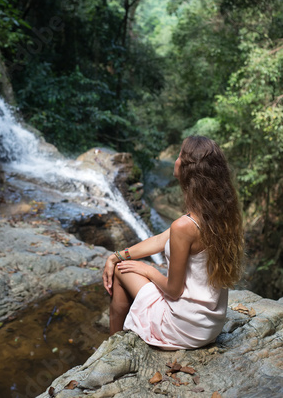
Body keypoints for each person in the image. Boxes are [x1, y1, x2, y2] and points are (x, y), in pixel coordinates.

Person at [103, 135, 244, 350]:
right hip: (209, 325)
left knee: (121, 271)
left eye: (179, 156)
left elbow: (174, 290)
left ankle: (112, 348)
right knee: (122, 262)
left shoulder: (184, 226)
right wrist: (117, 254)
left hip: (183, 327)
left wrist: (146, 269)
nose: (176, 161)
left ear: (188, 170)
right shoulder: (218, 215)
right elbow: (161, 239)